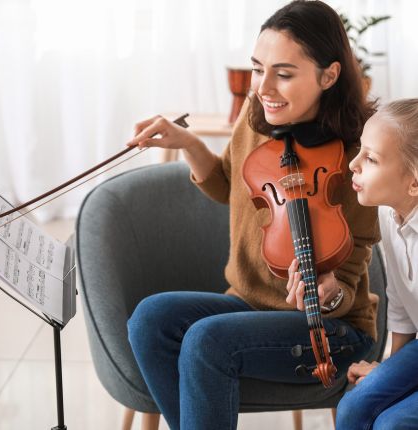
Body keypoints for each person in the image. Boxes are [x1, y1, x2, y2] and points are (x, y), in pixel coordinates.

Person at [127, 1, 380, 429]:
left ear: (329, 75)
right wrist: (187, 143)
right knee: (151, 319)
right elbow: (229, 186)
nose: (264, 87)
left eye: (283, 74)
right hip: (246, 304)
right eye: (258, 69)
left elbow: (349, 286)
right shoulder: (257, 113)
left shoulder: (356, 153)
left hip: (327, 329)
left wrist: (329, 287)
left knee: (206, 341)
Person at [336, 99, 418, 430]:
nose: (353, 164)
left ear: (414, 182)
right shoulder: (387, 214)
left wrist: (390, 379)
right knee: (353, 408)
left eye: (370, 158)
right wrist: (389, 368)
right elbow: (400, 303)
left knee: (392, 424)